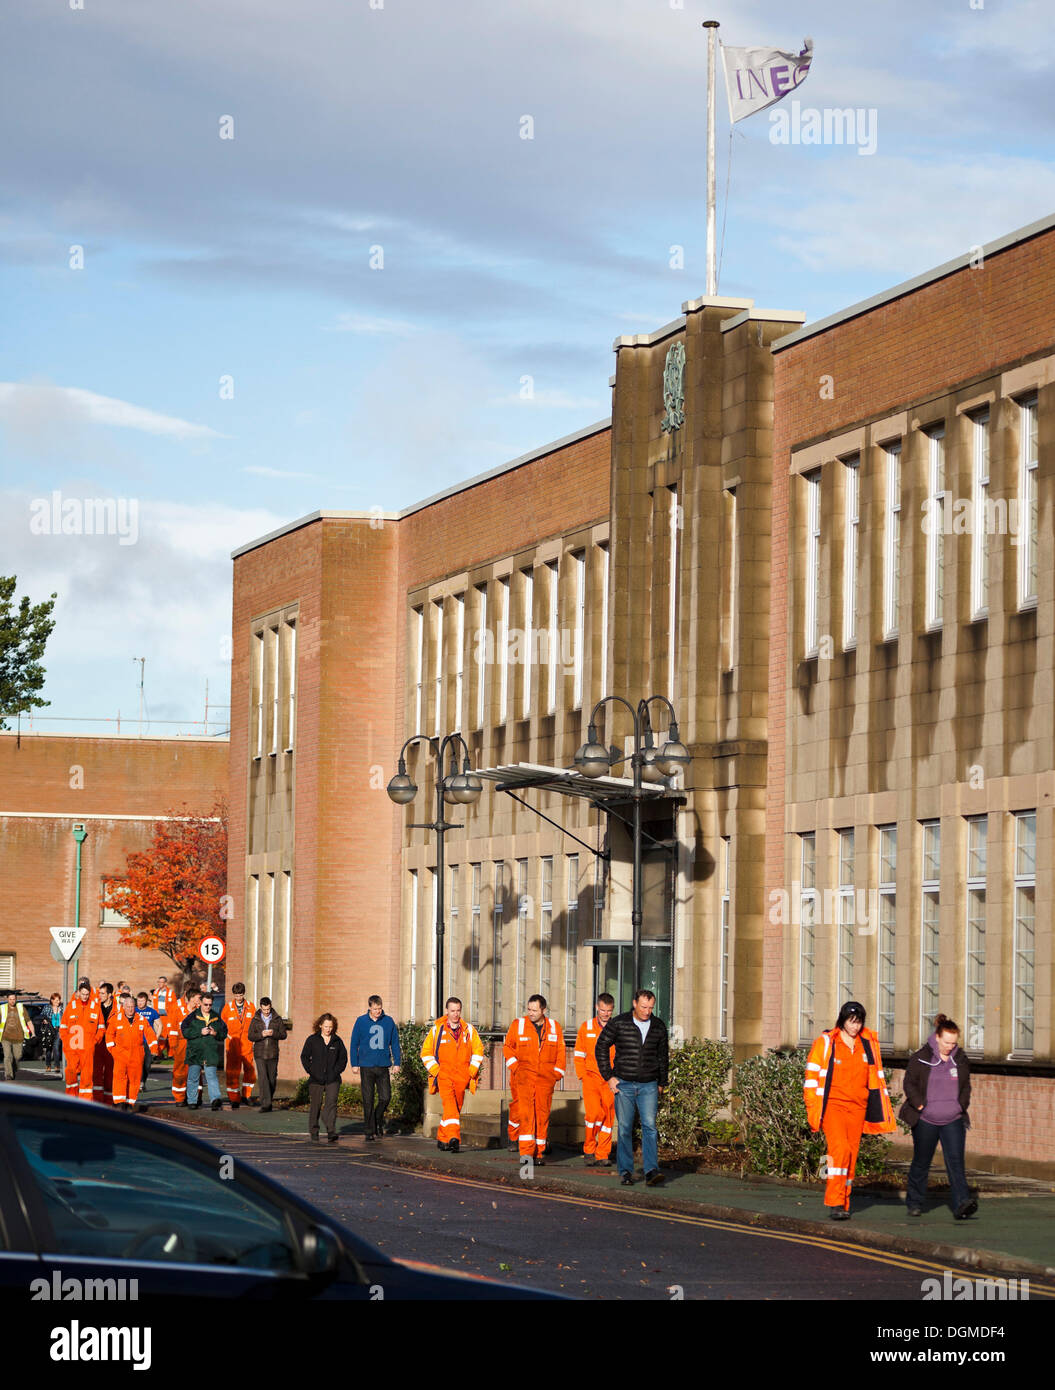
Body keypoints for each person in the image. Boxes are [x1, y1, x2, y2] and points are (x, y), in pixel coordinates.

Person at [804, 1000, 897, 1220]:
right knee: (840, 1150)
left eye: (858, 1022)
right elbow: (811, 1077)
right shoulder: (826, 1043)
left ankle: (844, 1202)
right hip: (833, 1106)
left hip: (858, 1107)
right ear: (842, 1021)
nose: (855, 1026)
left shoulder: (867, 1044)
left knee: (852, 1155)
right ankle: (835, 1202)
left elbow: (874, 1078)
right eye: (851, 1021)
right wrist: (812, 1108)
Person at [902, 1013, 977, 1220]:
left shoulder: (960, 1059)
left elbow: (966, 1087)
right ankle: (915, 1203)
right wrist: (919, 1105)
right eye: (946, 1042)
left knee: (955, 1162)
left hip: (953, 1119)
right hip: (926, 1120)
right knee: (921, 1161)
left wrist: (961, 1106)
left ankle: (962, 1203)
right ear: (937, 1037)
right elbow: (909, 1083)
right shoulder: (920, 1058)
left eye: (953, 1043)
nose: (950, 1047)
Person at [595, 989, 670, 1187]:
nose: (647, 1011)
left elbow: (663, 1057)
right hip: (624, 1084)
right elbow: (601, 1046)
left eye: (651, 1008)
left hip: (649, 1084)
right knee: (625, 1128)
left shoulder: (658, 1026)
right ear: (634, 1003)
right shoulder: (619, 1023)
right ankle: (626, 1171)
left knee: (650, 1127)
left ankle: (651, 1171)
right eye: (644, 1007)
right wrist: (609, 1077)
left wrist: (662, 1082)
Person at [503, 995, 566, 1165]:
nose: (530, 1013)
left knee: (542, 1115)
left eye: (534, 1010)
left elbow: (561, 1051)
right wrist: (516, 1068)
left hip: (545, 1079)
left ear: (543, 1010)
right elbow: (508, 1048)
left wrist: (557, 1074)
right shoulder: (518, 1025)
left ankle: (538, 1153)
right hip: (524, 1078)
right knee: (526, 1114)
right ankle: (526, 1154)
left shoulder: (554, 1027)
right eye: (529, 1009)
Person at [420, 997, 485, 1153]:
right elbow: (426, 1053)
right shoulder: (437, 1029)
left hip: (463, 1076)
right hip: (444, 1075)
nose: (455, 1014)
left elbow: (478, 1050)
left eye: (458, 1011)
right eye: (452, 1011)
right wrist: (437, 1071)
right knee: (450, 1106)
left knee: (454, 1109)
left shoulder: (469, 1030)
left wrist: (471, 1071)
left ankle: (443, 1138)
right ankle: (454, 1139)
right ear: (446, 1011)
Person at [350, 995, 402, 1140]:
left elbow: (395, 1044)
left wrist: (397, 1062)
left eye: (379, 1009)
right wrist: (354, 1063)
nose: (377, 1011)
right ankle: (369, 1131)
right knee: (368, 1099)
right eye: (375, 1009)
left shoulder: (388, 1021)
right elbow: (354, 1043)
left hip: (383, 1065)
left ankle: (377, 1118)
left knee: (385, 1097)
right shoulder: (361, 1021)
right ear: (369, 1008)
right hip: (366, 1066)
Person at [574, 993, 616, 1167]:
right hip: (591, 1077)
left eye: (609, 1011)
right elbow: (578, 1055)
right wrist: (583, 1075)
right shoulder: (587, 1027)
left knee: (608, 1117)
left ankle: (603, 1154)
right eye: (603, 1010)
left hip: (610, 1079)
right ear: (596, 1008)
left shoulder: (616, 1028)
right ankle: (589, 1149)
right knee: (593, 1115)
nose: (605, 1014)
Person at [107, 993, 160, 1110]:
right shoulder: (116, 1019)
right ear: (124, 1007)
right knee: (119, 1078)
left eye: (132, 1007)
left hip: (137, 1055)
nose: (130, 1009)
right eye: (128, 1007)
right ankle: (119, 1102)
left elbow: (150, 1034)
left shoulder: (141, 1019)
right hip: (120, 1054)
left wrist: (154, 1048)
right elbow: (109, 1036)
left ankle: (130, 1103)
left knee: (134, 1080)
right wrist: (113, 1051)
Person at [300, 1013, 348, 1143]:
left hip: (333, 1079)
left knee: (331, 1104)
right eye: (326, 1026)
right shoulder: (312, 1040)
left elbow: (343, 1059)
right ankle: (314, 1131)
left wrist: (336, 1072)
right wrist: (312, 1071)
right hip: (316, 1079)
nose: (328, 1029)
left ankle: (331, 1131)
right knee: (315, 1105)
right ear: (320, 1025)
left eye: (330, 1027)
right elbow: (304, 1057)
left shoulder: (337, 1041)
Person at [181, 989, 228, 1111]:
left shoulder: (216, 1017)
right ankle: (192, 1101)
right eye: (205, 1004)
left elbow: (224, 1033)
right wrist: (199, 1032)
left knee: (211, 1076)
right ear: (200, 1003)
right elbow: (185, 1031)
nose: (208, 1007)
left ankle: (215, 1100)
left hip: (210, 1052)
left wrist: (215, 1033)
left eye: (210, 1005)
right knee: (193, 1077)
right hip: (195, 1052)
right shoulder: (192, 1017)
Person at [60, 979, 104, 1100]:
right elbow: (63, 1026)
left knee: (87, 1075)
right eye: (83, 994)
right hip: (72, 1047)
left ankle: (85, 1100)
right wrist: (66, 1042)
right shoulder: (71, 1006)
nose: (84, 997)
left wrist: (95, 1040)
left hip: (88, 1048)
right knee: (70, 1072)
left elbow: (101, 1027)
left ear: (90, 994)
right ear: (78, 993)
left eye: (87, 994)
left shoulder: (95, 1007)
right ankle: (71, 1097)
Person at [247, 997, 287, 1111]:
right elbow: (250, 1036)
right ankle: (265, 1104)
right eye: (264, 1009)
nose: (267, 1011)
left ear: (270, 1007)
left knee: (272, 1079)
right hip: (259, 1053)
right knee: (263, 1078)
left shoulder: (277, 1019)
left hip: (273, 1053)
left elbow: (283, 1035)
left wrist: (273, 1033)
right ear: (261, 1007)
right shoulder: (255, 1019)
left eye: (268, 1009)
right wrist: (261, 1034)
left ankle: (268, 1099)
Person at [221, 982, 257, 1107]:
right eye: (236, 995)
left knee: (250, 1071)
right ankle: (234, 1098)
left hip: (247, 1045)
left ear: (244, 994)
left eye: (240, 995)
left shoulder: (251, 1007)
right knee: (232, 1072)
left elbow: (255, 1025)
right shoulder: (228, 1007)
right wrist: (228, 1037)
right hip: (232, 1045)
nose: (238, 998)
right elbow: (221, 1026)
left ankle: (246, 1095)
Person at [166, 984, 195, 1104]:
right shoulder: (177, 1006)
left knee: (194, 1071)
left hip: (193, 1044)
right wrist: (173, 1047)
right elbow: (171, 1027)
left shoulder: (199, 1008)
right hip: (181, 1044)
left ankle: (194, 1097)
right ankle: (179, 1097)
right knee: (180, 1072)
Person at [0, 993, 36, 1081]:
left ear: (16, 999)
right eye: (10, 999)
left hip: (19, 1037)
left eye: (14, 999)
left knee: (17, 1056)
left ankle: (13, 1067)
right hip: (5, 1036)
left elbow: (29, 1021)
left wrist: (33, 1033)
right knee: (7, 1056)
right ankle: (8, 1075)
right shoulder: (2, 1008)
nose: (12, 1001)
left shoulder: (21, 1008)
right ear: (7, 999)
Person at [93, 982, 117, 1105]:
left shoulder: (118, 1008)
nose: (100, 995)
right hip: (98, 1043)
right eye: (99, 993)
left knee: (110, 1073)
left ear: (109, 994)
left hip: (112, 1045)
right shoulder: (96, 1007)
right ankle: (97, 1101)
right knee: (96, 1073)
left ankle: (108, 1101)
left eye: (102, 993)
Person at [135, 992, 162, 1089]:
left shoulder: (152, 1012)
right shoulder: (133, 1010)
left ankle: (143, 1081)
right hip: (136, 1042)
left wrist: (156, 1038)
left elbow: (160, 1025)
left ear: (146, 1001)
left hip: (148, 1042)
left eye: (142, 1001)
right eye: (138, 1001)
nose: (140, 1003)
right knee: (138, 1064)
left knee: (147, 1064)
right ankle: (139, 1083)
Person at [45, 992, 64, 1075]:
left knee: (56, 1047)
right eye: (56, 1000)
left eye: (59, 1000)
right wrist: (44, 1020)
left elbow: (65, 1017)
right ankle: (48, 1065)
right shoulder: (47, 1008)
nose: (58, 1002)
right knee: (49, 1048)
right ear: (52, 1000)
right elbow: (42, 1015)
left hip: (58, 1030)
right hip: (49, 1030)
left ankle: (57, 1066)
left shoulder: (62, 1008)